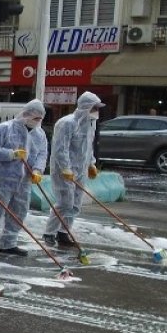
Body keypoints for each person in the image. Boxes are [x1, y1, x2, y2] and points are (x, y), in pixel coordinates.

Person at [0, 100, 48, 256]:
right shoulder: (4, 129)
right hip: (2, 178)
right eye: (35, 118)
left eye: (40, 119)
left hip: (24, 180)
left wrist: (38, 170)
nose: (38, 121)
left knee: (19, 211)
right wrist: (11, 154)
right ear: (26, 114)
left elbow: (42, 154)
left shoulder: (39, 134)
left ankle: (9, 243)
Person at [43, 92, 104, 248]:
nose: (97, 111)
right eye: (94, 107)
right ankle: (49, 232)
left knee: (75, 203)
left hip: (81, 169)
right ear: (86, 107)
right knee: (64, 202)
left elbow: (88, 146)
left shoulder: (91, 123)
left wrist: (91, 163)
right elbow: (60, 148)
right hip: (64, 170)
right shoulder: (67, 123)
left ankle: (64, 232)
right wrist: (65, 168)